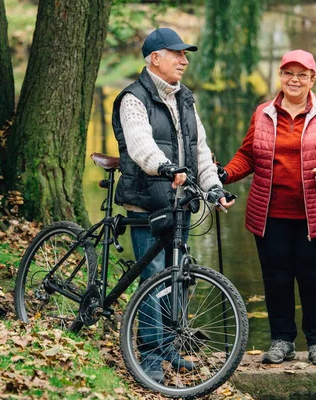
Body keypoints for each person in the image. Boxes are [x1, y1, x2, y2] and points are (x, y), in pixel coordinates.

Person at [218, 49, 316, 365]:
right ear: (280, 76)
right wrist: (226, 173)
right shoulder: (263, 113)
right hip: (271, 214)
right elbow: (248, 156)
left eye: (302, 74)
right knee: (276, 277)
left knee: (313, 276)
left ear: (312, 79)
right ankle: (282, 340)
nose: (294, 80)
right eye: (288, 73)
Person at [112, 27, 234, 383]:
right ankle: (149, 358)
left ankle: (168, 347)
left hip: (179, 204)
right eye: (176, 53)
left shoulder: (185, 99)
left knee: (178, 279)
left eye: (186, 54)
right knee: (152, 279)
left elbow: (200, 151)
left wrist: (213, 189)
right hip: (146, 202)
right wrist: (165, 168)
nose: (184, 60)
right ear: (155, 58)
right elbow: (139, 145)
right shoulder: (133, 98)